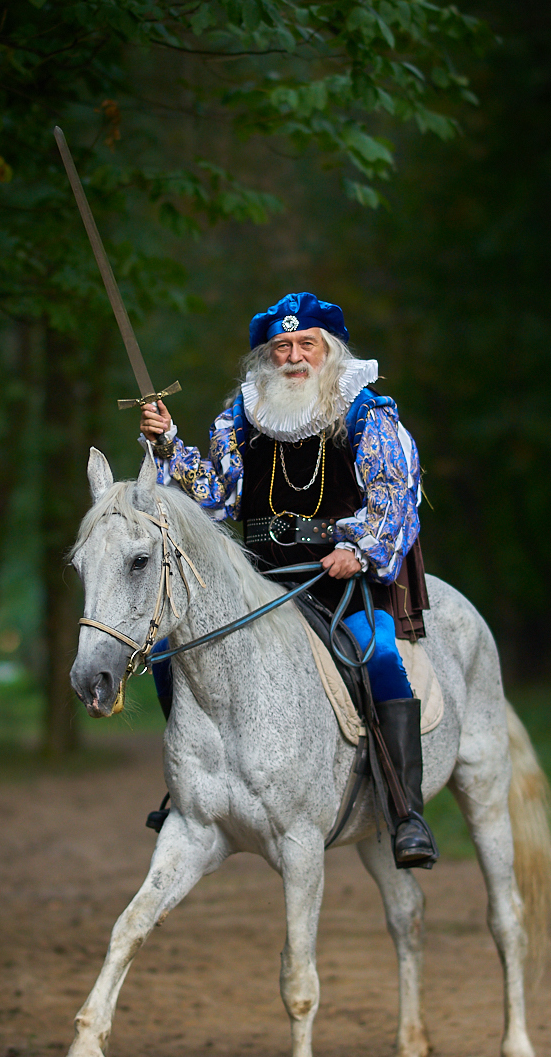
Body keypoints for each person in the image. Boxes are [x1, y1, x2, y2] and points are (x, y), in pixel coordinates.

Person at [141, 290, 438, 869]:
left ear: (328, 350)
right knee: (165, 651)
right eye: (281, 347)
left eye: (307, 345)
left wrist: (361, 547)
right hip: (259, 578)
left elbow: (395, 497)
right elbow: (217, 499)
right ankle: (191, 785)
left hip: (338, 576)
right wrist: (168, 443)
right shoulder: (239, 418)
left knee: (377, 655)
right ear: (265, 358)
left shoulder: (365, 413)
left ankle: (407, 812)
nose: (294, 357)